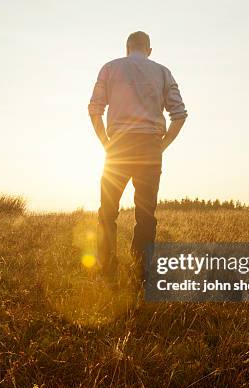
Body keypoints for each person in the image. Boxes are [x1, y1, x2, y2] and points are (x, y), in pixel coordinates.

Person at [88, 31, 188, 283]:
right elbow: (179, 114)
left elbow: (94, 109)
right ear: (149, 50)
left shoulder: (110, 68)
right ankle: (142, 269)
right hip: (150, 148)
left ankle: (107, 267)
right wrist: (162, 145)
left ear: (127, 47)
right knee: (146, 213)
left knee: (108, 210)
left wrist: (106, 143)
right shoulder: (163, 72)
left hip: (118, 147)